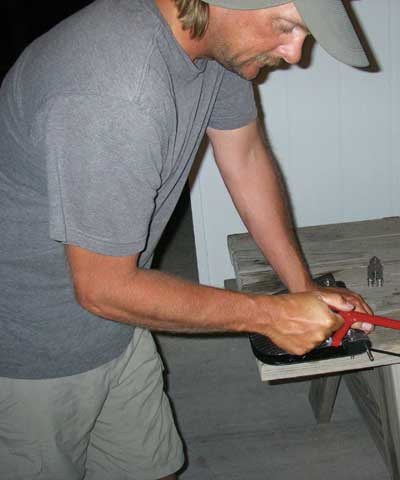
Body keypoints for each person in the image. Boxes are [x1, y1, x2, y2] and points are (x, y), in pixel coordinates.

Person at [0, 0, 373, 478]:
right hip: (29, 349)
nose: (295, 54)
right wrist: (270, 315)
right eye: (285, 27)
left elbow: (246, 158)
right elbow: (102, 289)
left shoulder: (218, 48)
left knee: (153, 469)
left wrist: (302, 290)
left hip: (117, 322)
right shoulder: (116, 90)